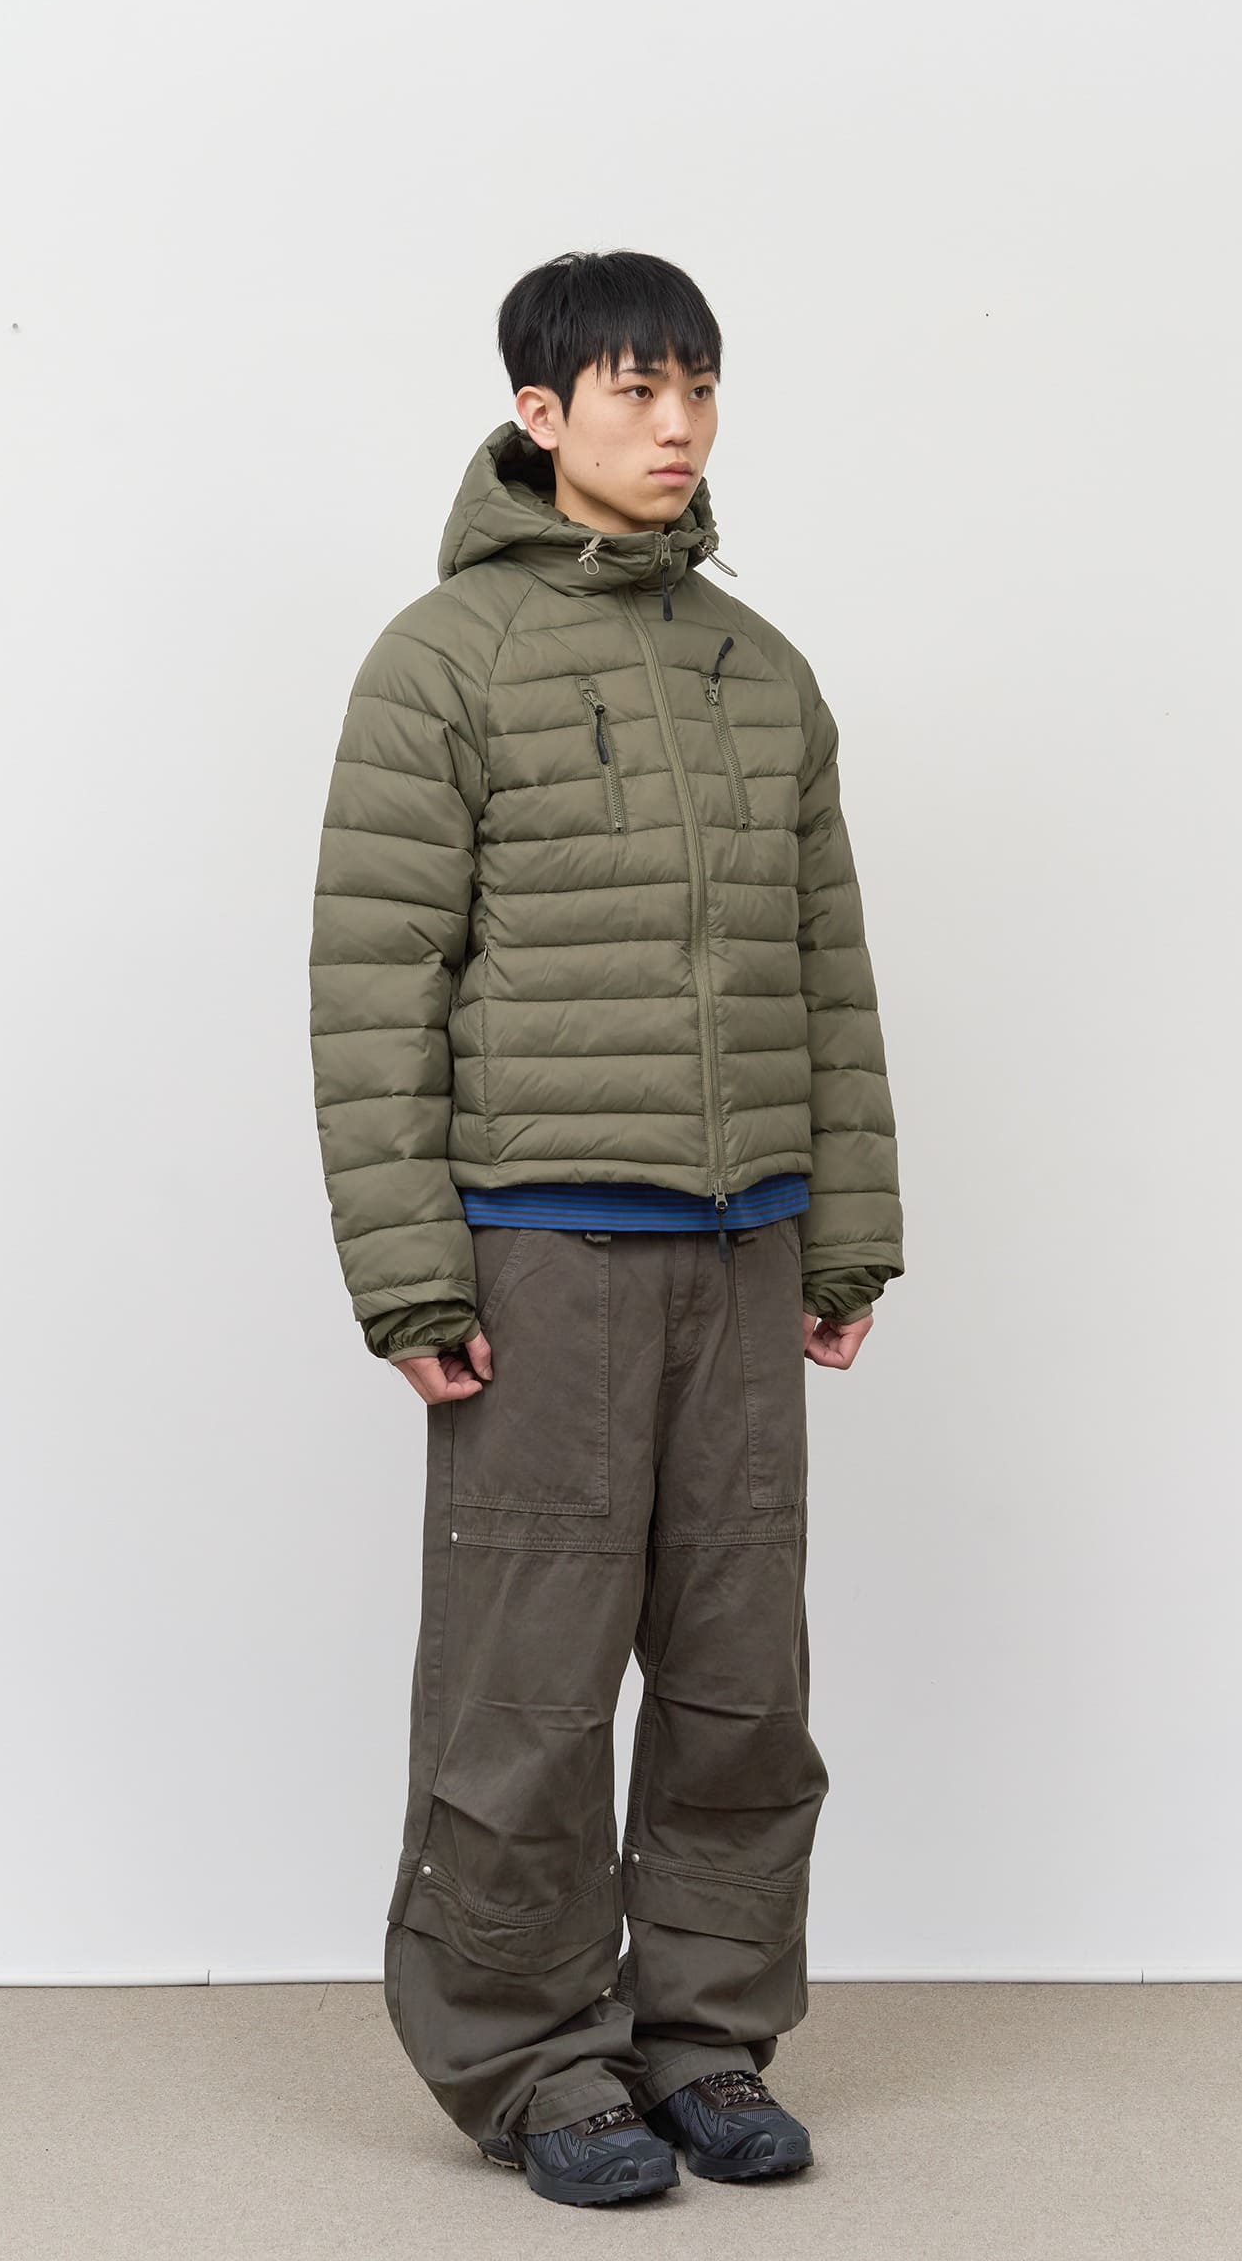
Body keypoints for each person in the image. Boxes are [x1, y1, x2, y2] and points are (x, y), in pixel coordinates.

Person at [307, 248, 904, 2207]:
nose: (676, 424)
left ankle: (703, 2039)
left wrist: (843, 1235)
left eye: (699, 387)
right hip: (539, 1255)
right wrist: (408, 1270)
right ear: (539, 412)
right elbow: (373, 988)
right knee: (530, 1686)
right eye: (636, 389)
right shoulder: (440, 663)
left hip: (743, 1250)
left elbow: (828, 981)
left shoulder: (763, 674)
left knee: (741, 1684)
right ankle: (525, 2055)